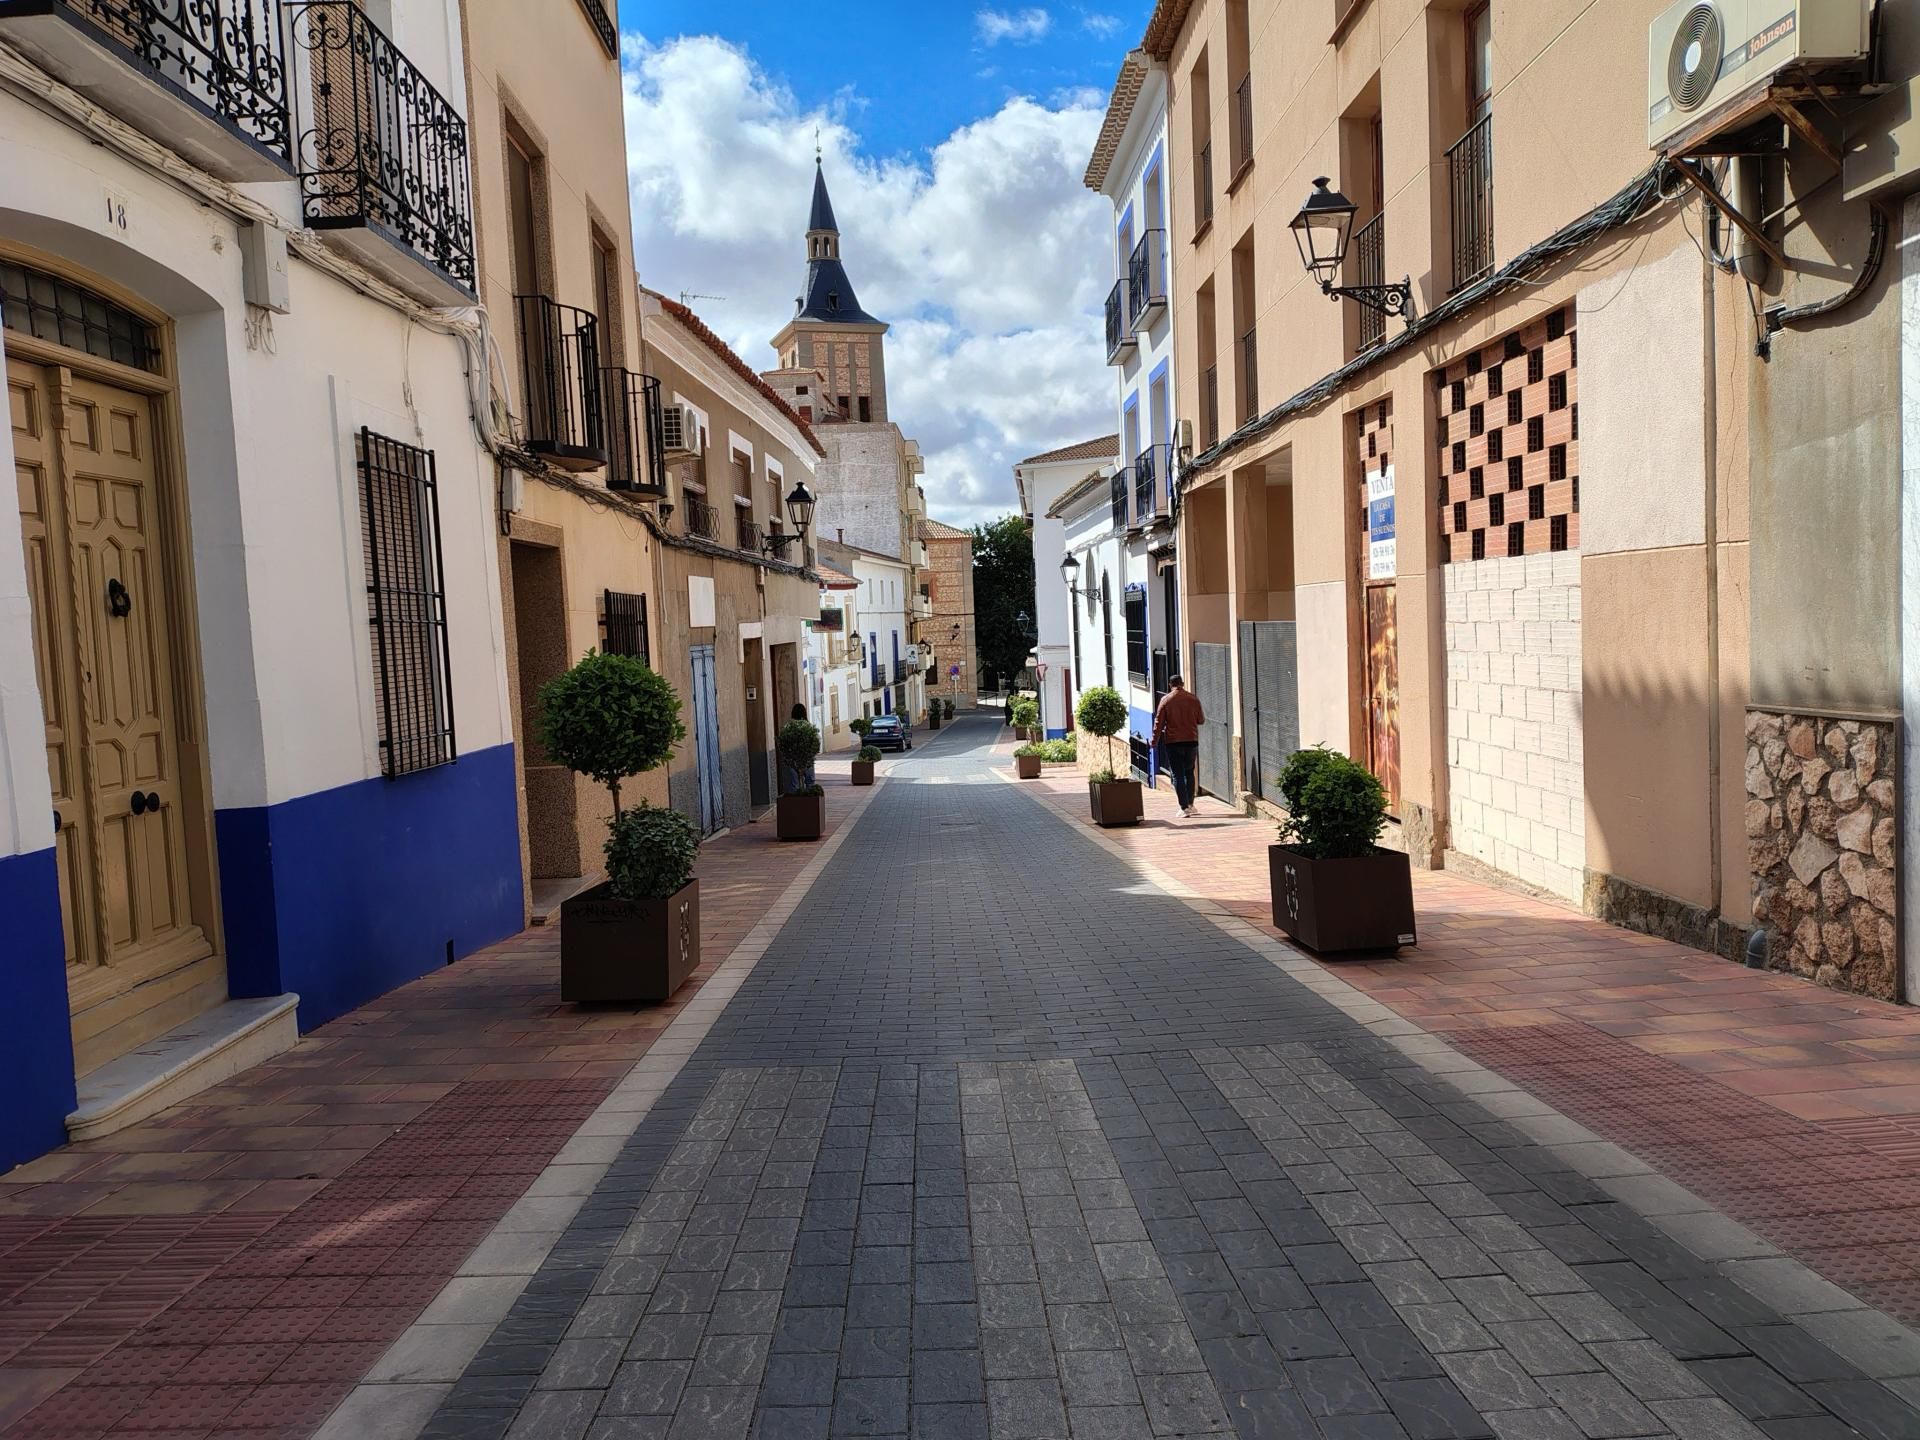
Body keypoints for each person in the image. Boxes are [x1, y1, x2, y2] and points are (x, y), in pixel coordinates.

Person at [1153, 675, 1205, 817]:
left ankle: (1183, 807)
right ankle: (1191, 804)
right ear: (1182, 683)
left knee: (1178, 774)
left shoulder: (1166, 700)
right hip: (1191, 740)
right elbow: (1201, 720)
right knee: (1189, 772)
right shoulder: (1193, 699)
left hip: (1174, 742)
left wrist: (1154, 741)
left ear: (1170, 684)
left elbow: (1159, 723)